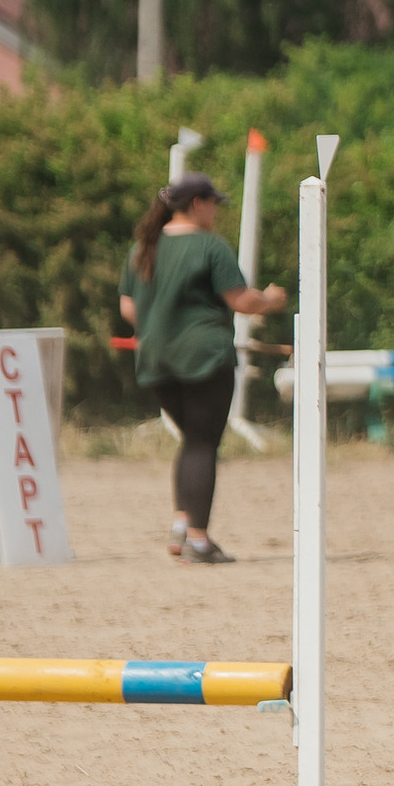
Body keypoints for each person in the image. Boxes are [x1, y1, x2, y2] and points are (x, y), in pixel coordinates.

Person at [118, 172, 285, 562]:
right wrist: (272, 300)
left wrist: (162, 327)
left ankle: (182, 524)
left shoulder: (143, 247)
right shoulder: (211, 247)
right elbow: (242, 301)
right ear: (197, 204)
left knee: (191, 440)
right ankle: (199, 539)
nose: (216, 212)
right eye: (214, 204)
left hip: (155, 358)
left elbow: (129, 308)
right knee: (203, 443)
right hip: (204, 357)